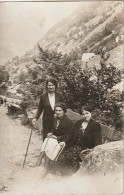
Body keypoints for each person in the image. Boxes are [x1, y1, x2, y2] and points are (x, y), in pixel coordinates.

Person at [56, 105, 102, 175]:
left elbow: (98, 140)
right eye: (83, 114)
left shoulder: (95, 125)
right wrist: (64, 142)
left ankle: (70, 176)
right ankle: (63, 175)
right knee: (61, 156)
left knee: (71, 157)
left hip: (86, 149)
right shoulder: (79, 123)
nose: (85, 116)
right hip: (75, 146)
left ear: (91, 113)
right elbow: (70, 135)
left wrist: (94, 152)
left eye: (87, 113)